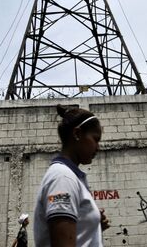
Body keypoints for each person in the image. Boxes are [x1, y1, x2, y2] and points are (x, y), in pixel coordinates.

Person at [33, 104, 110, 247]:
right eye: (95, 139)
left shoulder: (71, 177)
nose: (98, 147)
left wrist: (93, 226)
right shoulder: (62, 178)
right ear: (77, 134)